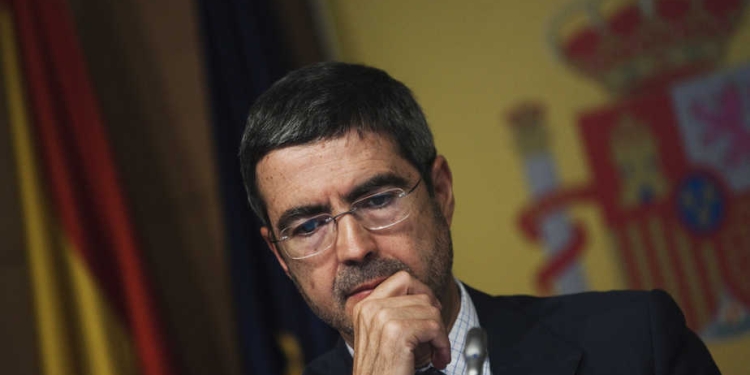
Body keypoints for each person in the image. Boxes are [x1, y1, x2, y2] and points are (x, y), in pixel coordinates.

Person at [238, 61, 721, 375]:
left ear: (441, 191)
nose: (353, 247)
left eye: (377, 199)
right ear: (279, 256)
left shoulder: (638, 341)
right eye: (307, 226)